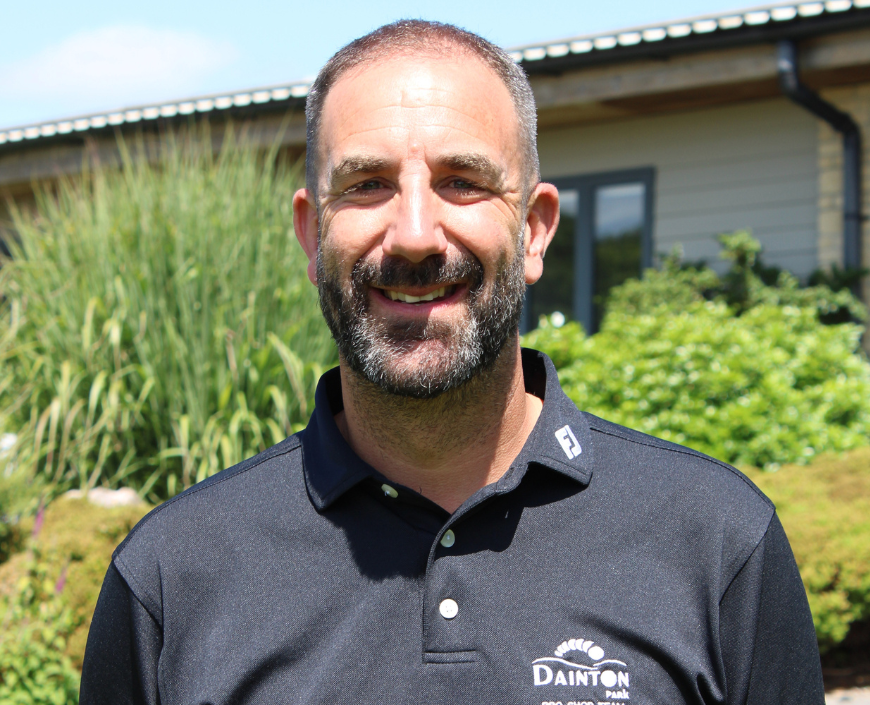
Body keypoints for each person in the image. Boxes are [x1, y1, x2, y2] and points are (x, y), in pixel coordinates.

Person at [80, 20, 825, 705]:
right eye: (367, 183)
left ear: (533, 232)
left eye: (461, 181)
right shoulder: (172, 579)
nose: (412, 234)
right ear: (312, 236)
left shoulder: (719, 544)